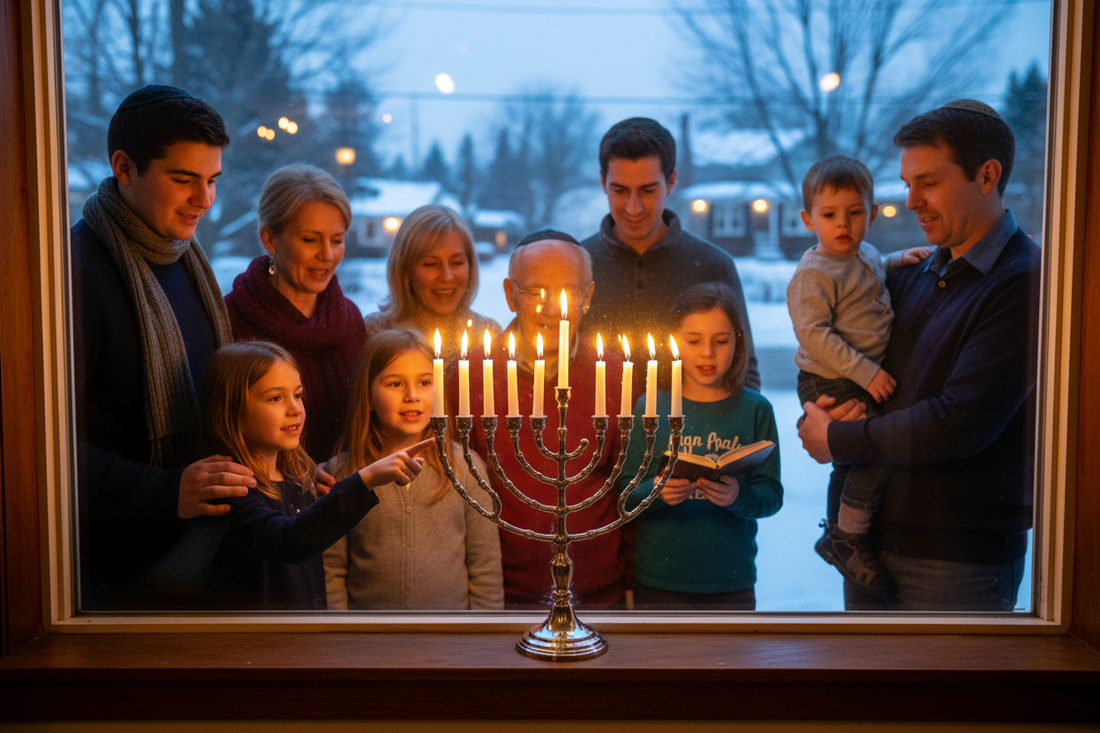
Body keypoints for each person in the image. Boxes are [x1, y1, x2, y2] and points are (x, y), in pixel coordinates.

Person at [798, 100, 1042, 612]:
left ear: (987, 175)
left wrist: (838, 437)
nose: (910, 202)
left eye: (927, 182)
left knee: (944, 696)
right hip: (870, 541)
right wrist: (824, 408)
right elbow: (848, 350)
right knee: (864, 693)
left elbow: (960, 423)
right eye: (907, 184)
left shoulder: (1022, 280)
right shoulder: (915, 270)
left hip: (956, 556)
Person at [71, 85, 256, 610]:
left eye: (212, 181)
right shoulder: (75, 274)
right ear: (124, 168)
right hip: (118, 579)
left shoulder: (188, 262)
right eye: (183, 180)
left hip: (201, 557)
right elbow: (42, 450)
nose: (205, 200)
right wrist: (166, 490)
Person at [193, 341, 432, 610]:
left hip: (303, 643)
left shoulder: (299, 479)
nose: (295, 408)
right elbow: (286, 541)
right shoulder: (227, 486)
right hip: (254, 645)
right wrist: (365, 478)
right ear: (232, 409)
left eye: (298, 395)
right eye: (275, 398)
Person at [462, 230, 628, 609]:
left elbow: (627, 488)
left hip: (601, 598)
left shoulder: (616, 374)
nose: (551, 309)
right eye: (535, 292)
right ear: (509, 294)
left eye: (568, 293)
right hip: (499, 598)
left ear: (588, 296)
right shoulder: (471, 375)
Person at [786, 155, 930, 592]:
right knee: (871, 452)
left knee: (855, 457)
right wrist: (866, 373)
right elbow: (814, 336)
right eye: (829, 216)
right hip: (829, 376)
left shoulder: (862, 252)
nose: (843, 225)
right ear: (809, 219)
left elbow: (869, 271)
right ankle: (847, 536)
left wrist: (897, 259)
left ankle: (837, 534)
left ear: (871, 214)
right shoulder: (813, 272)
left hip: (855, 373)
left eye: (854, 214)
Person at [619, 283, 782, 610]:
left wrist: (739, 496)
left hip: (731, 580)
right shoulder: (651, 406)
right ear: (675, 342)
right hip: (659, 578)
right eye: (693, 341)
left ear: (738, 341)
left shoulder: (755, 409)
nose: (708, 353)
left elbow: (772, 496)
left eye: (721, 341)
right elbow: (624, 495)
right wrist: (657, 492)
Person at [322, 329, 503, 610]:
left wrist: (480, 639)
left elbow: (486, 568)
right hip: (366, 644)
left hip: (450, 643)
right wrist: (341, 639)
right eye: (395, 384)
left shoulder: (465, 466)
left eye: (425, 382)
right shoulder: (344, 473)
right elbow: (331, 571)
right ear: (367, 396)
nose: (412, 395)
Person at [580, 117, 759, 391]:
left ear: (671, 181)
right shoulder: (577, 265)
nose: (633, 207)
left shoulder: (712, 265)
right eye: (620, 190)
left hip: (691, 433)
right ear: (603, 181)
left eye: (648, 191)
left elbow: (744, 373)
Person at [224, 164, 366, 463]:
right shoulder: (229, 321)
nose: (327, 254)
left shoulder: (350, 319)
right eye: (310, 239)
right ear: (270, 239)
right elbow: (222, 438)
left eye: (337, 240)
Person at [365, 205, 500, 362]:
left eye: (457, 262)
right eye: (431, 264)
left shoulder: (487, 336)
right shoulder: (377, 333)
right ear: (405, 270)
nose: (447, 276)